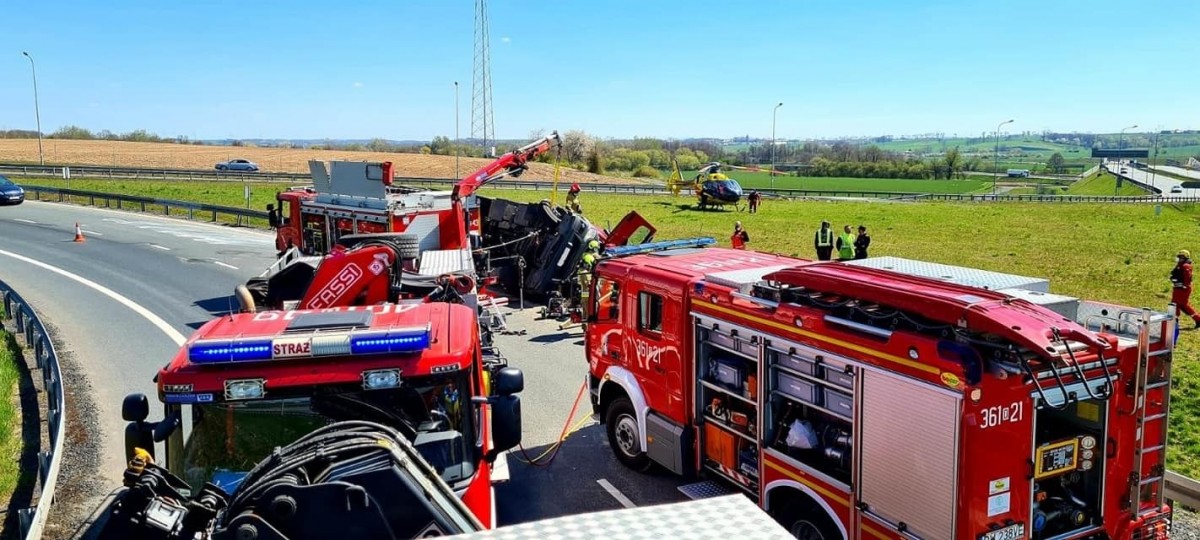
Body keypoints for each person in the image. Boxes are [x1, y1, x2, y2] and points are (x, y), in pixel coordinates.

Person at [1170, 250, 1200, 328]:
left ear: (1185, 258)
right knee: (1175, 304)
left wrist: (1185, 286)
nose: (1180, 258)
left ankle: (1198, 319)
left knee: (1183, 305)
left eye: (1181, 257)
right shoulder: (1179, 265)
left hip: (1183, 289)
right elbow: (1174, 274)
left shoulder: (1186, 266)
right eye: (1179, 257)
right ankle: (1175, 320)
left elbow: (1188, 277)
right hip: (1177, 288)